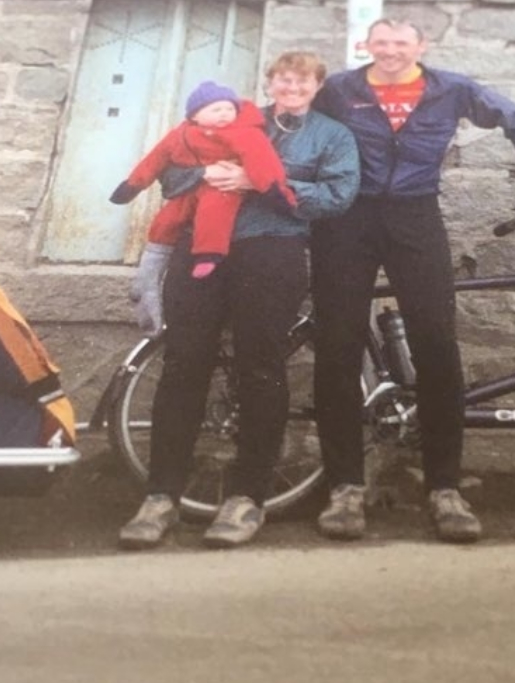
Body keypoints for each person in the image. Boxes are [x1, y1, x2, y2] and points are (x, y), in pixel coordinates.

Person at [307, 17, 515, 545]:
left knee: (437, 345)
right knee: (336, 348)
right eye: (381, 43)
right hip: (346, 219)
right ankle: (345, 488)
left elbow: (514, 117)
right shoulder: (340, 88)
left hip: (415, 216)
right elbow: (294, 127)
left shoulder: (451, 88)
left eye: (401, 43)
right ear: (367, 46)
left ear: (421, 47)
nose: (391, 52)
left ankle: (445, 488)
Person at [118, 53, 360, 550]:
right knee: (184, 363)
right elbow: (169, 175)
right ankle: (161, 496)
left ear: (318, 86)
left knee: (260, 367)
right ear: (268, 83)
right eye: (282, 79)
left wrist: (263, 184)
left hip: (273, 251)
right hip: (199, 251)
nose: (292, 88)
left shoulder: (332, 136)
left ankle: (246, 496)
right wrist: (204, 175)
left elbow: (339, 196)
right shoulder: (225, 117)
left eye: (303, 81)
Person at [110, 81, 296, 280]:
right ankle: (154, 259)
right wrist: (133, 185)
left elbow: (263, 160)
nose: (224, 113)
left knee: (214, 211)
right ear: (195, 116)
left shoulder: (244, 132)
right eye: (216, 109)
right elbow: (156, 158)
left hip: (222, 185)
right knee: (168, 219)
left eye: (229, 109)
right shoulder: (180, 134)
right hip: (192, 185)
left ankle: (209, 254)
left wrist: (273, 189)